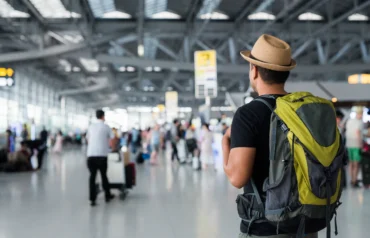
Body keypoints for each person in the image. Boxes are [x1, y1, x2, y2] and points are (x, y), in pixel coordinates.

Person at [222, 35, 318, 238]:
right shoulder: (302, 110)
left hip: (265, 228)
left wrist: (225, 143)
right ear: (285, 73)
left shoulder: (248, 114)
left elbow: (237, 178)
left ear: (254, 70)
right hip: (306, 225)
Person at [86, 110, 114, 206]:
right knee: (104, 176)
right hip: (102, 155)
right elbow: (112, 139)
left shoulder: (91, 127)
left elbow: (88, 140)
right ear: (103, 116)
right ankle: (107, 195)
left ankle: (92, 199)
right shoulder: (106, 127)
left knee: (92, 177)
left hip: (91, 155)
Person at [345, 108, 364, 188]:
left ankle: (352, 180)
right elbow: (358, 133)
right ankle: (354, 180)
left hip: (349, 144)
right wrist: (361, 144)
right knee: (356, 163)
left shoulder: (349, 121)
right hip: (356, 144)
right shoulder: (359, 122)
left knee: (351, 163)